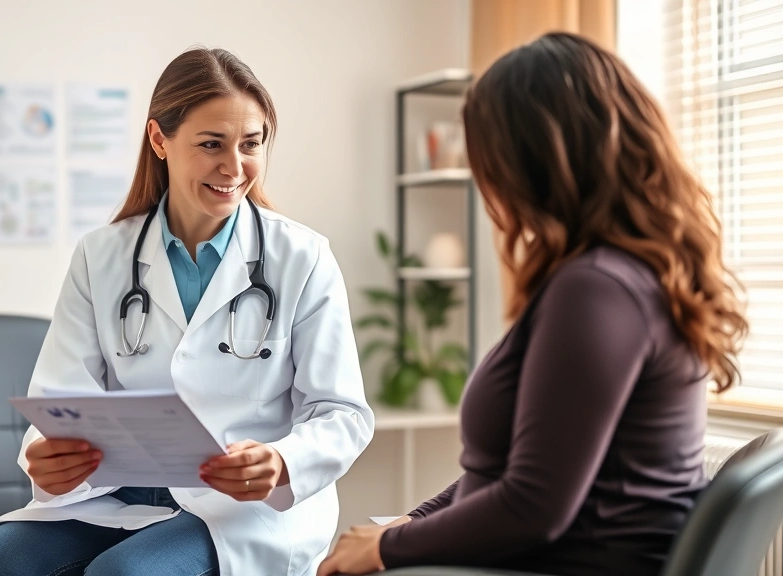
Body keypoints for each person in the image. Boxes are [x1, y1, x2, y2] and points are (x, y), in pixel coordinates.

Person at [318, 32, 747, 576]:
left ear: (535, 160)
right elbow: (510, 473)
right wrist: (408, 523)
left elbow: (532, 504)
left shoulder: (595, 290)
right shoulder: (627, 275)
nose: (485, 182)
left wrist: (387, 549)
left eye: (489, 159)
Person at [0, 47, 374, 576]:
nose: (234, 167)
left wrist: (282, 461)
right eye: (211, 145)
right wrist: (46, 454)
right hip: (119, 493)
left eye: (251, 144)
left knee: (126, 575)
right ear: (160, 139)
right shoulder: (102, 256)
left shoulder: (302, 257)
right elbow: (61, 399)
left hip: (239, 507)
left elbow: (343, 413)